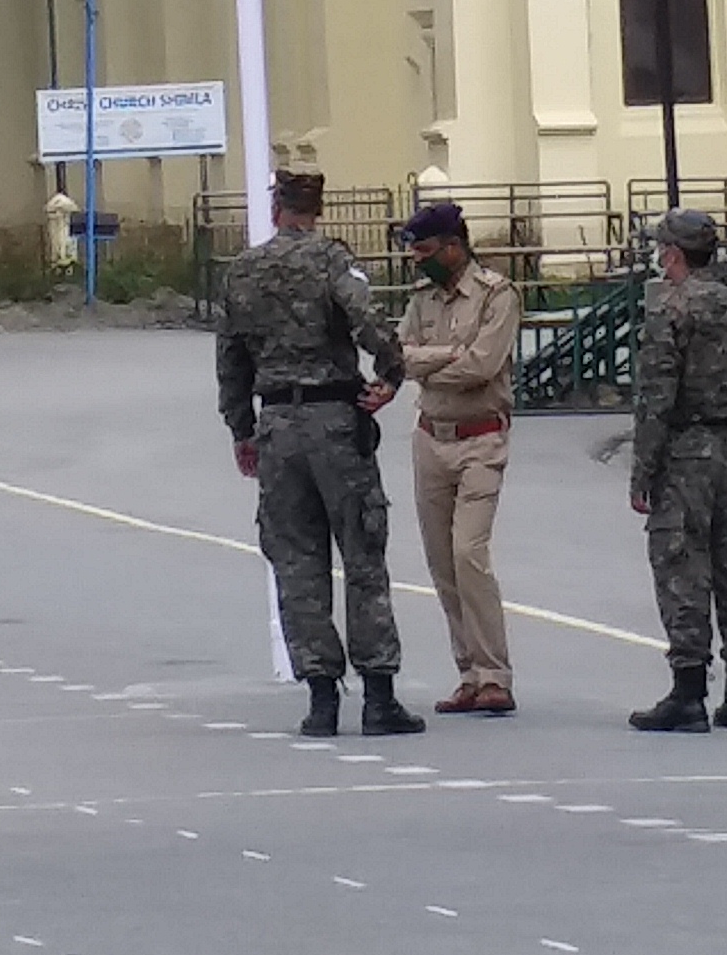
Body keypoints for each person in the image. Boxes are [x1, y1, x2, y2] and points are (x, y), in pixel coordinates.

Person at [217, 170, 419, 737]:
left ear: (277, 206)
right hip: (335, 419)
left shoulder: (243, 271)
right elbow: (364, 316)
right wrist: (392, 369)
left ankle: (321, 697)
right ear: (318, 208)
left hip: (277, 426)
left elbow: (230, 358)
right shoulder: (332, 260)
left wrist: (242, 429)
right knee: (362, 553)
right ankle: (379, 697)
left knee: (296, 562)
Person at [627, 208, 727, 731]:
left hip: (686, 448)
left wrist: (643, 468)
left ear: (673, 254)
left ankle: (688, 688)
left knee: (682, 562)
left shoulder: (671, 309)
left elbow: (656, 395)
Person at [398, 199, 522, 714]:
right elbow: (396, 354)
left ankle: (495, 674)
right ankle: (468, 673)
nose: (416, 260)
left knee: (469, 553)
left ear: (453, 247)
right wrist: (444, 358)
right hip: (431, 437)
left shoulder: (497, 295)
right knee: (441, 561)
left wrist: (429, 364)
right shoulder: (422, 300)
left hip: (480, 439)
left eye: (424, 250)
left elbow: (482, 366)